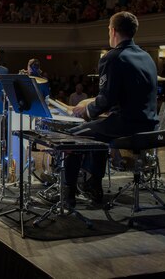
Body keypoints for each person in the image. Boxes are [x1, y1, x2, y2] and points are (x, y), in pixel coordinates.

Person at [67, 12, 158, 207]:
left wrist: (87, 111)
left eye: (108, 29)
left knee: (71, 137)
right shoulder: (146, 57)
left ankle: (68, 196)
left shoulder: (113, 57)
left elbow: (107, 100)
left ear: (113, 31)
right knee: (98, 131)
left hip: (125, 125)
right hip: (149, 124)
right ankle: (93, 186)